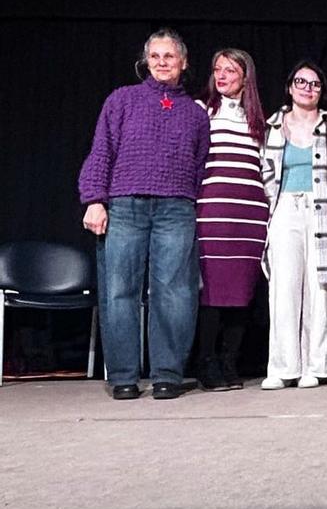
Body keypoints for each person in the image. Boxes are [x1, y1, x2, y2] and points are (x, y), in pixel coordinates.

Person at [78, 28, 209, 401]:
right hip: (125, 205)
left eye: (169, 56)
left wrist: (184, 197)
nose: (162, 62)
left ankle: (167, 373)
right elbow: (102, 150)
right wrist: (95, 198)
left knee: (174, 292)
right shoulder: (122, 100)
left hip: (176, 208)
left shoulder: (195, 114)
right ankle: (123, 376)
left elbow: (198, 163)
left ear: (183, 63)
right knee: (120, 291)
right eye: (155, 56)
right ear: (145, 61)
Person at [259, 61, 327, 389]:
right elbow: (265, 173)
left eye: (314, 84)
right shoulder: (272, 125)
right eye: (301, 81)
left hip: (325, 210)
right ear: (290, 86)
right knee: (283, 288)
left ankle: (315, 366)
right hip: (286, 207)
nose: (307, 88)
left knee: (319, 288)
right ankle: (282, 367)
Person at [193, 48, 268, 393]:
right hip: (214, 212)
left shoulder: (259, 121)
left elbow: (265, 171)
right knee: (212, 292)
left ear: (245, 77)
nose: (222, 76)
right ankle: (206, 362)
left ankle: (229, 360)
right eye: (217, 69)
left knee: (241, 293)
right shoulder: (201, 111)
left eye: (230, 71)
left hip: (250, 217)